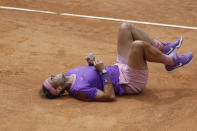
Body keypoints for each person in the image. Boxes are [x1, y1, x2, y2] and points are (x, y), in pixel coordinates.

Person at [40, 23, 193, 101]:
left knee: (125, 27)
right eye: (52, 79)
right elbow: (109, 96)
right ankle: (172, 61)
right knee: (137, 46)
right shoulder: (79, 91)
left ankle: (163, 48)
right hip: (130, 82)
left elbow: (92, 76)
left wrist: (92, 63)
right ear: (59, 88)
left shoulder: (70, 73)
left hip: (120, 67)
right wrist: (102, 71)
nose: (53, 75)